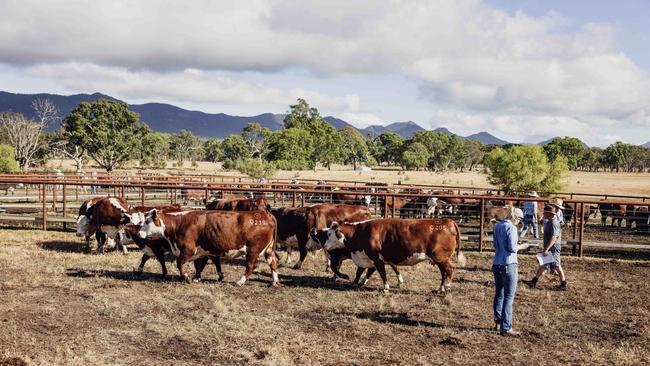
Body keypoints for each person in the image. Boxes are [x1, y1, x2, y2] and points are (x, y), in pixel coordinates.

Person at [492, 207, 533, 336]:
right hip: (509, 264)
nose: (520, 222)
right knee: (509, 297)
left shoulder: (497, 226)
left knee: (499, 294)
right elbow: (512, 248)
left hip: (496, 263)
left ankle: (498, 321)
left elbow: (495, 245)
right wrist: (523, 246)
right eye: (520, 219)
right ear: (514, 217)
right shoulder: (512, 228)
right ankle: (506, 327)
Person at [523, 204, 568, 290]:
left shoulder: (554, 223)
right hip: (550, 247)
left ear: (550, 213)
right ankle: (534, 281)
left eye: (545, 213)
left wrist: (547, 248)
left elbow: (554, 237)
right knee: (543, 264)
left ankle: (563, 284)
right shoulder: (550, 221)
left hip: (553, 247)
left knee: (557, 265)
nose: (544, 214)